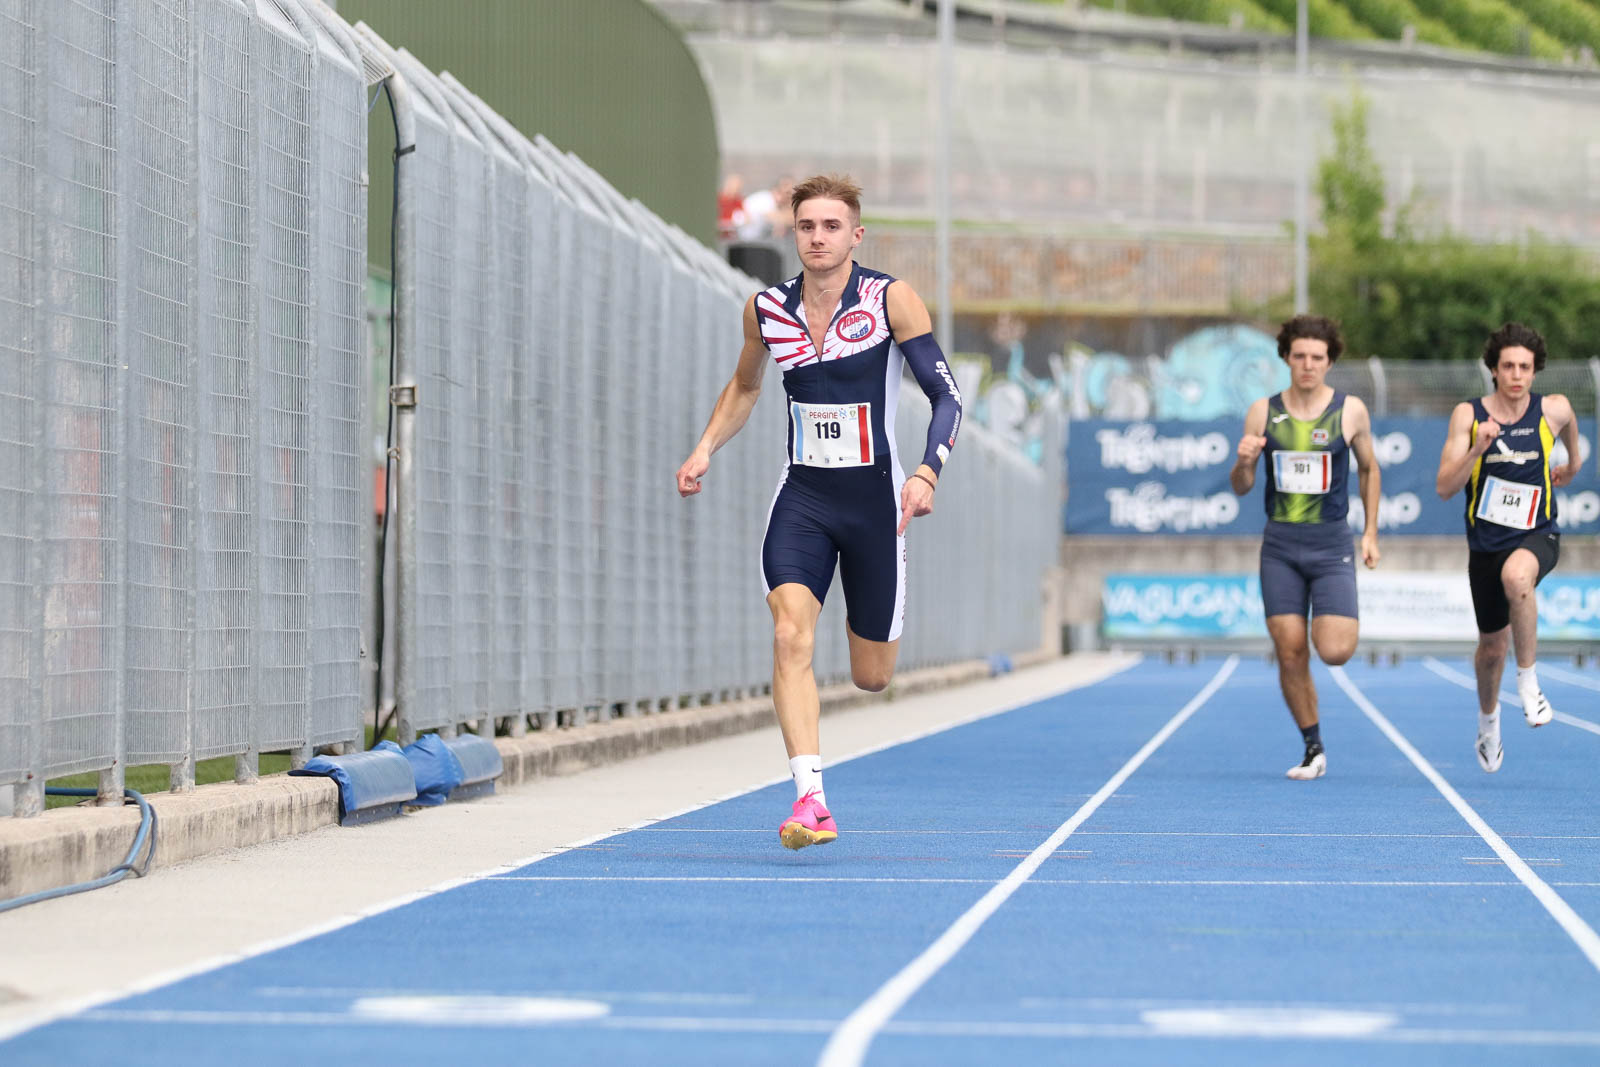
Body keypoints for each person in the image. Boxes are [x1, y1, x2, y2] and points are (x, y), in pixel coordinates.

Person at [676, 174, 962, 849]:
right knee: (788, 634)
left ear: (855, 235)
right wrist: (705, 445)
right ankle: (811, 799)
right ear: (793, 232)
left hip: (875, 503)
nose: (818, 237)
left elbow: (946, 397)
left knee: (872, 676)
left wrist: (927, 471)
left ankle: (824, 762)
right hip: (803, 498)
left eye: (832, 226)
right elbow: (746, 385)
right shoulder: (766, 309)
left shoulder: (890, 300)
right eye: (807, 226)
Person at [1230, 315, 1381, 781]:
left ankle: (1323, 623)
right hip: (1280, 545)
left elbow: (1370, 469)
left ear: (1330, 362)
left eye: (1317, 357)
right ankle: (1313, 746)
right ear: (1286, 358)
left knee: (1334, 650)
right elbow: (1241, 486)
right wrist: (1244, 463)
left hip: (1330, 543)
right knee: (1290, 650)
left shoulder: (1349, 411)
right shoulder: (1263, 411)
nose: (1308, 365)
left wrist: (1370, 532)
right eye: (1300, 356)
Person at [1434, 322, 1582, 773]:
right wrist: (1476, 450)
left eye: (1525, 367)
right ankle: (1488, 722)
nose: (1516, 375)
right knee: (1491, 650)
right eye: (1508, 366)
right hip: (1486, 544)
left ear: (1535, 371)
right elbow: (1444, 487)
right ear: (1494, 370)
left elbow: (1570, 427)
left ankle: (1530, 683)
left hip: (1538, 533)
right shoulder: (1468, 415)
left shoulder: (1553, 409)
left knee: (1517, 577)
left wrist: (1572, 465)